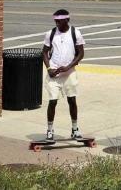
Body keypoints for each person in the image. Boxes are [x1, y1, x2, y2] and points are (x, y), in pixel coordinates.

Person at [42, 9, 85, 142]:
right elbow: (44, 52)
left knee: (72, 100)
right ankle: (50, 130)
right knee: (52, 101)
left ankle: (75, 129)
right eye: (56, 21)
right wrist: (49, 68)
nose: (57, 24)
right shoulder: (51, 33)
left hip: (69, 73)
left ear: (67, 20)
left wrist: (69, 66)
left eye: (59, 21)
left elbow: (81, 53)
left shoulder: (75, 33)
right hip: (54, 73)